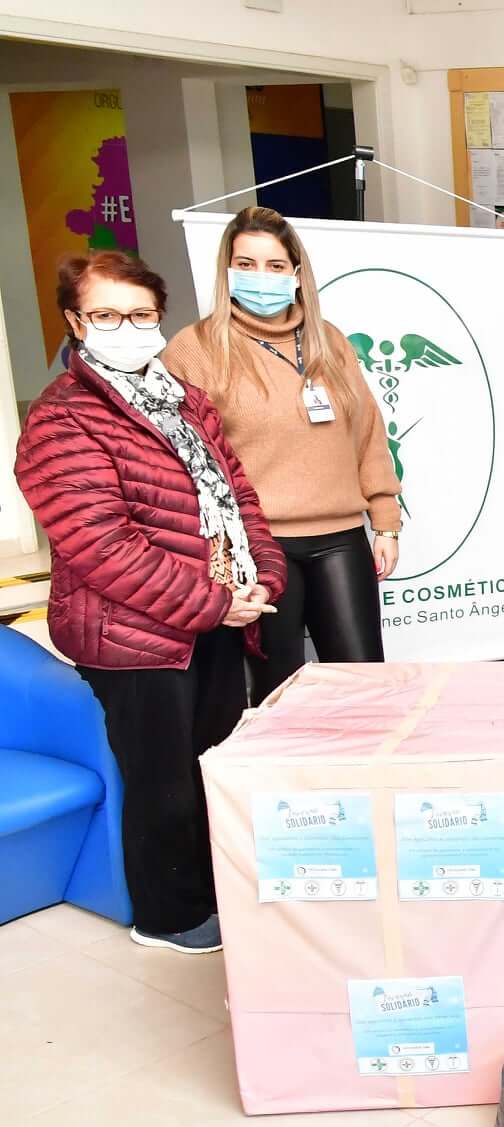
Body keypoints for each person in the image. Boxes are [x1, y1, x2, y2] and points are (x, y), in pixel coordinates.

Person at [13, 251, 287, 953]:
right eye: (107, 315)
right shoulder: (61, 420)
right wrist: (211, 602)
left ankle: (214, 887)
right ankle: (168, 915)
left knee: (210, 765)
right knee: (162, 779)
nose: (127, 328)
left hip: (217, 615)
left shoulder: (182, 398)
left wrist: (261, 574)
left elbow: (237, 494)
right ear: (75, 321)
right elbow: (100, 544)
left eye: (140, 315)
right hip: (131, 632)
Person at [162, 206, 397, 702]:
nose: (260, 277)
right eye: (245, 265)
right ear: (227, 271)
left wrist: (385, 519)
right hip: (258, 546)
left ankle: (365, 775)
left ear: (295, 274)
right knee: (279, 689)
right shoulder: (196, 348)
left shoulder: (327, 340)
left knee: (363, 682)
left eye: (273, 266)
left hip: (341, 537)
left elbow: (367, 431)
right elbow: (181, 458)